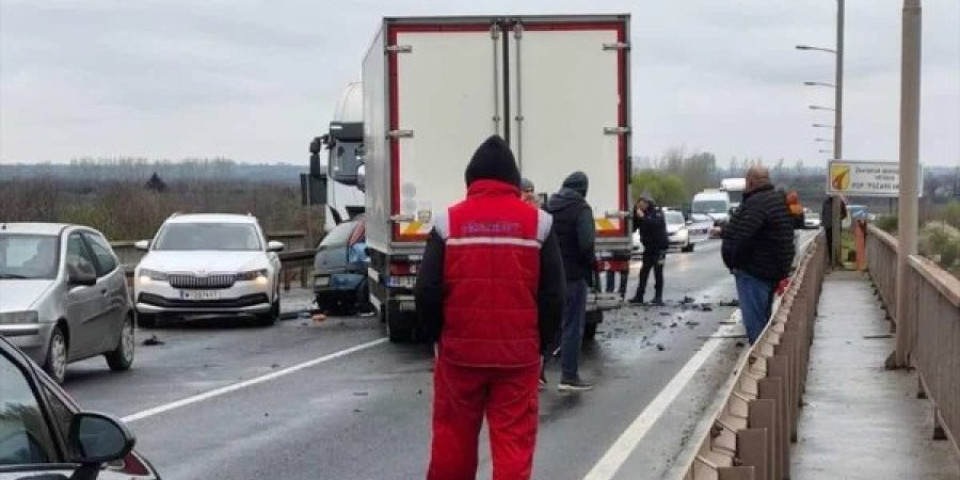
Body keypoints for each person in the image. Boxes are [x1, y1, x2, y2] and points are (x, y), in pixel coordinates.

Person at [415, 135, 564, 480]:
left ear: (471, 180)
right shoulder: (540, 224)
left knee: (452, 441)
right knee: (514, 445)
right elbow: (554, 294)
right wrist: (541, 345)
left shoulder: (447, 223)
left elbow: (426, 290)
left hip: (459, 356)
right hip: (518, 358)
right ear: (513, 182)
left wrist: (438, 338)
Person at [721, 166, 796, 344]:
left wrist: (734, 262)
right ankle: (765, 355)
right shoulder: (777, 201)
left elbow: (743, 236)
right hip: (772, 271)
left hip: (754, 273)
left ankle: (759, 359)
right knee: (764, 321)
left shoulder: (756, 204)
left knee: (757, 328)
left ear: (751, 181)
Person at [545, 171, 596, 392]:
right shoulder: (581, 209)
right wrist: (590, 264)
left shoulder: (548, 207)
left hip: (550, 276)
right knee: (572, 326)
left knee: (547, 326)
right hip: (573, 275)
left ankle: (538, 374)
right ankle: (569, 376)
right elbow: (586, 243)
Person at [629, 196, 668, 305]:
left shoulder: (656, 212)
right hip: (649, 248)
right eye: (639, 205)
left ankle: (658, 297)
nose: (640, 207)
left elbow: (655, 224)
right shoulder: (642, 214)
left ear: (647, 204)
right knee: (643, 273)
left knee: (658, 272)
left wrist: (643, 218)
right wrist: (633, 215)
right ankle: (639, 296)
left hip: (659, 248)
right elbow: (633, 228)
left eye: (642, 205)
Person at [821, 195, 847, 265]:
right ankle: (831, 260)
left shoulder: (840, 202)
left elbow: (844, 214)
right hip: (828, 226)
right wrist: (824, 222)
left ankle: (837, 259)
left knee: (837, 243)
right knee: (829, 244)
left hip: (836, 227)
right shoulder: (825, 202)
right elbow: (823, 213)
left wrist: (837, 219)